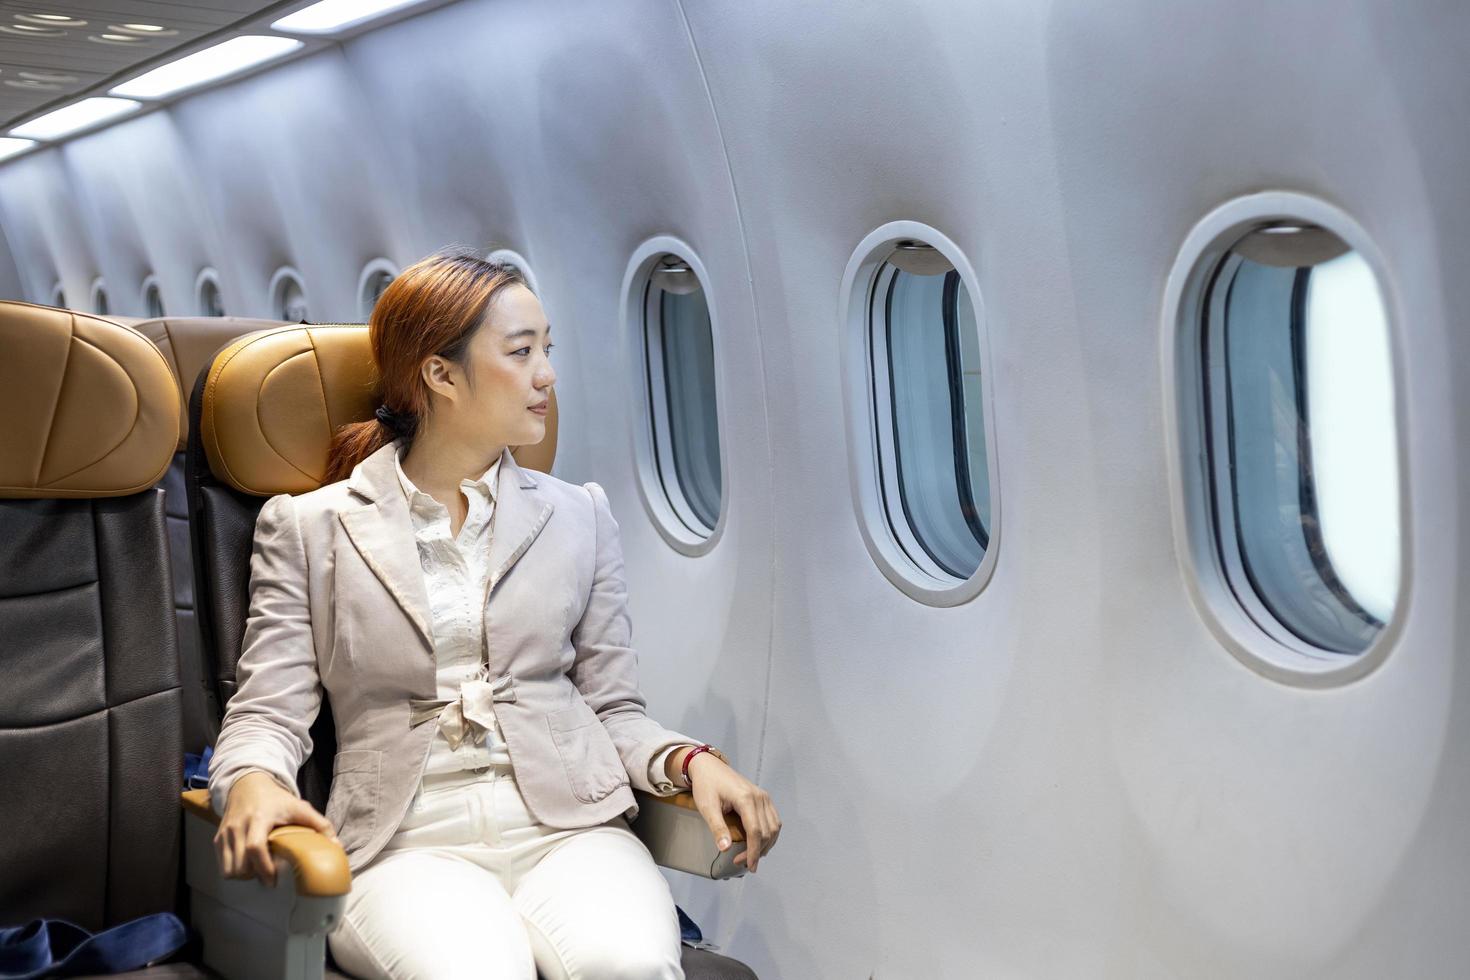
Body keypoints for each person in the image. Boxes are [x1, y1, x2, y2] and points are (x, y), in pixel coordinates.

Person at [207, 250, 780, 979]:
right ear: (440, 375)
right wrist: (253, 782)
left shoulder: (580, 516)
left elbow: (613, 709)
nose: (547, 374)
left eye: (548, 350)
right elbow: (267, 714)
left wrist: (688, 761)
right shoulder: (310, 528)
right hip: (407, 846)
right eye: (521, 352)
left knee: (629, 966)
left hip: (570, 834)